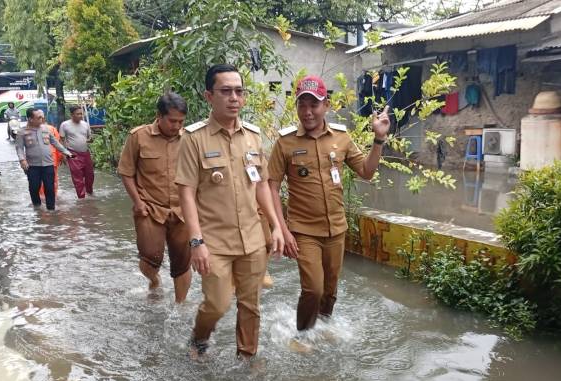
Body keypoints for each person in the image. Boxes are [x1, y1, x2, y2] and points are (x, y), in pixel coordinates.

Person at [176, 64, 284, 360]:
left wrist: (276, 225)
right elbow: (186, 193)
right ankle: (199, 338)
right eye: (226, 91)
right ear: (209, 96)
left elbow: (260, 185)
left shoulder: (253, 136)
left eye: (239, 91)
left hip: (252, 238)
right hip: (214, 242)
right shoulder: (194, 139)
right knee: (217, 304)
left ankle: (247, 357)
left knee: (251, 305)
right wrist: (196, 242)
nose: (234, 98)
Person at [267, 75, 390, 331]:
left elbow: (366, 172)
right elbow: (272, 188)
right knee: (313, 289)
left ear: (327, 105)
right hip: (303, 231)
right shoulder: (285, 142)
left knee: (330, 291)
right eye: (302, 105)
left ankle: (321, 329)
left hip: (336, 229)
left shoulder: (341, 138)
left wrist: (378, 140)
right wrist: (282, 230)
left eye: (314, 105)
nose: (308, 112)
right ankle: (303, 334)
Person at [117, 92, 193, 303]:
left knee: (183, 262)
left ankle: (180, 306)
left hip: (182, 209)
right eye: (172, 121)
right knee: (150, 257)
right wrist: (138, 202)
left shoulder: (190, 139)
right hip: (149, 208)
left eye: (181, 121)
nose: (177, 126)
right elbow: (126, 172)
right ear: (159, 116)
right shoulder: (138, 137)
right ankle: (154, 279)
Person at [15, 108, 72, 211]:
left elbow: (55, 142)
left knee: (50, 187)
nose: (42, 119)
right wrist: (22, 160)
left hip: (48, 164)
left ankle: (51, 209)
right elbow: (19, 148)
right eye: (39, 117)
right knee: (34, 188)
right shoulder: (22, 132)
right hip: (32, 166)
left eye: (42, 117)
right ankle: (37, 208)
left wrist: (66, 152)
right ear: (30, 119)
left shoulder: (46, 129)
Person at [59, 105, 95, 198]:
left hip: (85, 153)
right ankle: (81, 198)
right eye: (78, 114)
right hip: (72, 153)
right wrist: (63, 154)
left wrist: (91, 140)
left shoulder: (85, 124)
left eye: (81, 114)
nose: (80, 116)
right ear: (72, 115)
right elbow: (61, 140)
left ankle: (90, 194)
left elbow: (89, 138)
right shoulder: (65, 125)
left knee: (90, 175)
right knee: (77, 176)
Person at [39, 122, 62, 200]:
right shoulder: (52, 129)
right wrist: (60, 157)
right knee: (53, 179)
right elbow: (57, 144)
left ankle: (42, 198)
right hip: (52, 158)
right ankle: (53, 197)